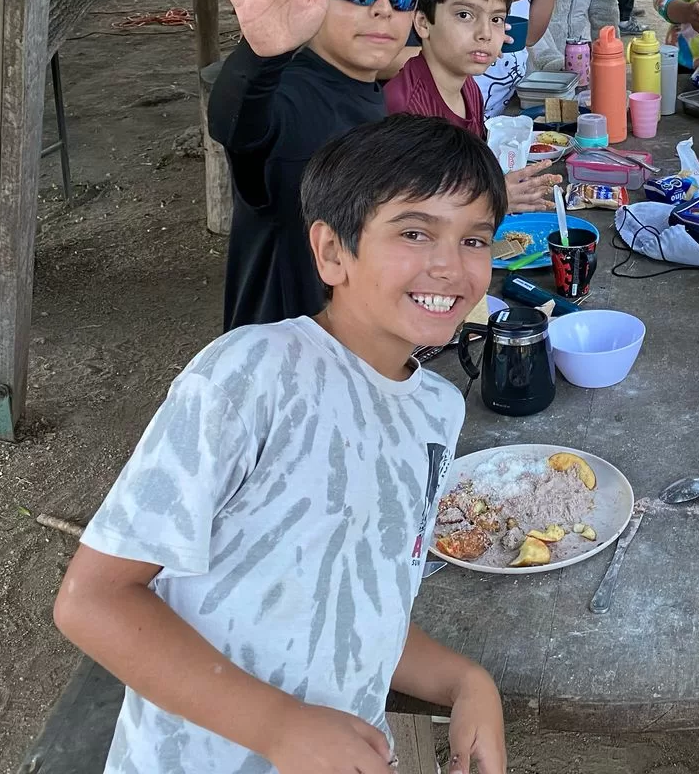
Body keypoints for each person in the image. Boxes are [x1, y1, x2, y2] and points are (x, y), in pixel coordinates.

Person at [53, 115, 509, 774]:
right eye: (414, 232)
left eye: (475, 239)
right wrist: (278, 726)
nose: (449, 265)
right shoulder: (252, 375)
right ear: (331, 252)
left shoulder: (437, 411)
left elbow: (357, 606)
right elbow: (94, 600)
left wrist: (467, 683)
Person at [208, 0, 421, 332]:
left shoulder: (368, 92)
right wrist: (260, 56)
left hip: (356, 346)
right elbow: (236, 127)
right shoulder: (289, 99)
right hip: (285, 358)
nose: (383, 7)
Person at [384, 0, 559, 212]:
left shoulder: (468, 89)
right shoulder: (406, 107)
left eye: (496, 19)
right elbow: (411, 211)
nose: (485, 33)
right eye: (465, 15)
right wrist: (494, 199)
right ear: (423, 22)